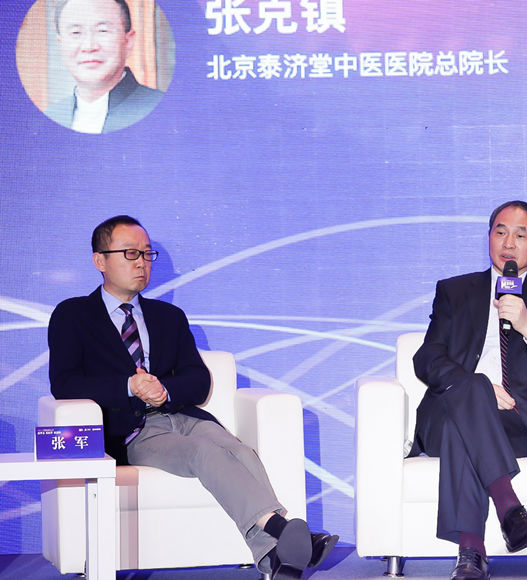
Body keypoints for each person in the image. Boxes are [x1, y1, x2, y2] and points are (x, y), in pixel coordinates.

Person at [48, 216, 337, 580]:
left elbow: (198, 380)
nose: (142, 262)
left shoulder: (169, 317)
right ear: (100, 260)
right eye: (131, 253)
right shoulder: (73, 315)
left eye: (147, 254)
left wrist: (165, 390)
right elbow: (65, 384)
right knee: (204, 453)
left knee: (240, 451)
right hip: (134, 431)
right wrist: (129, 386)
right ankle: (286, 532)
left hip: (185, 416)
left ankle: (274, 557)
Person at [411, 201, 527, 580]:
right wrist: (475, 387)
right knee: (472, 392)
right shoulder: (455, 291)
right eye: (500, 232)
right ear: (489, 237)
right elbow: (427, 358)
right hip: (445, 412)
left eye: (520, 235)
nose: (508, 243)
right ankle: (511, 511)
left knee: (463, 429)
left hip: (514, 423)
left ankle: (471, 553)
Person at [44, 0, 164, 133]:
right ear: (61, 44)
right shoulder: (49, 118)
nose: (89, 46)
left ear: (128, 42)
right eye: (76, 33)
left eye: (102, 31)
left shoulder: (164, 112)